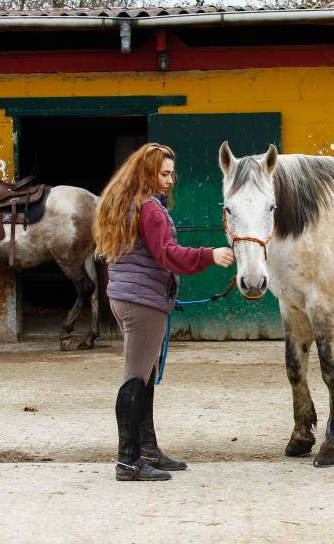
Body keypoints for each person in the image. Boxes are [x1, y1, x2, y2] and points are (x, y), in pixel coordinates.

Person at [94, 143, 235, 481]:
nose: (170, 180)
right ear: (147, 173)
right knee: (135, 378)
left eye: (172, 173)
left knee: (143, 377)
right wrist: (209, 255)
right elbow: (168, 255)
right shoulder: (151, 210)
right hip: (143, 303)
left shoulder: (131, 202)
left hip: (131, 297)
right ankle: (128, 462)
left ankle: (147, 450)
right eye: (164, 173)